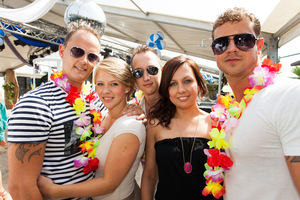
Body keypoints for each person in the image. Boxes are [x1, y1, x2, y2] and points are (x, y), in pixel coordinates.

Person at [7, 26, 144, 200]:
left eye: (92, 56)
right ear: (62, 51)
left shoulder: (94, 101)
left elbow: (114, 116)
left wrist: (135, 110)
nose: (84, 61)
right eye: (77, 51)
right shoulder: (36, 105)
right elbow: (20, 188)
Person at [211, 7, 300, 199]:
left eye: (244, 40)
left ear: (259, 46)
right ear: (214, 52)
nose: (232, 48)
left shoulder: (289, 95)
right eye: (221, 43)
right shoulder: (228, 110)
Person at [37, 57, 146, 200]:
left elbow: (109, 184)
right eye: (100, 84)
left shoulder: (130, 126)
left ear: (127, 87)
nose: (105, 91)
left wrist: (55, 191)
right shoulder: (104, 114)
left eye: (113, 84)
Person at [141, 56, 216, 200]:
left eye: (187, 81)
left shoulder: (215, 123)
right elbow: (150, 175)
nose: (181, 90)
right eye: (172, 84)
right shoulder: (155, 125)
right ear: (166, 90)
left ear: (199, 84)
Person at [130, 45, 162, 116]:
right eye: (138, 72)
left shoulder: (177, 105)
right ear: (134, 78)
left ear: (162, 70)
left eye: (151, 70)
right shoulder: (132, 108)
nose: (146, 78)